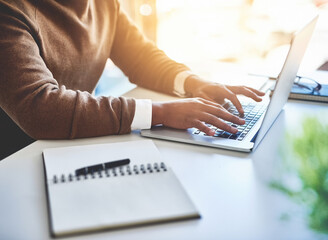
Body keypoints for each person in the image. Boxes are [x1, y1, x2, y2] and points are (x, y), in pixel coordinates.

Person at [0, 0, 264, 158]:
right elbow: (40, 108)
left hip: (67, 144)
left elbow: (141, 57)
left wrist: (194, 83)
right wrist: (160, 112)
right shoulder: (8, 11)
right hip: (17, 160)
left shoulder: (103, 4)